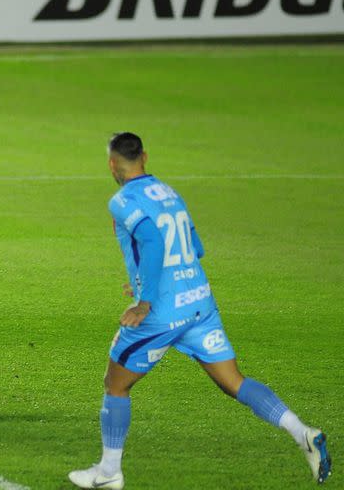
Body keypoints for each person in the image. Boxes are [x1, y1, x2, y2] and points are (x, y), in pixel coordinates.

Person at [68, 133, 332, 489]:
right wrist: (147, 278)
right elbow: (194, 247)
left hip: (162, 312)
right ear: (145, 157)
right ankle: (302, 433)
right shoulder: (170, 194)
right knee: (234, 382)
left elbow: (152, 240)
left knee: (115, 385)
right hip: (198, 302)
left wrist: (145, 300)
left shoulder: (122, 200)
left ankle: (109, 472)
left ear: (112, 164)